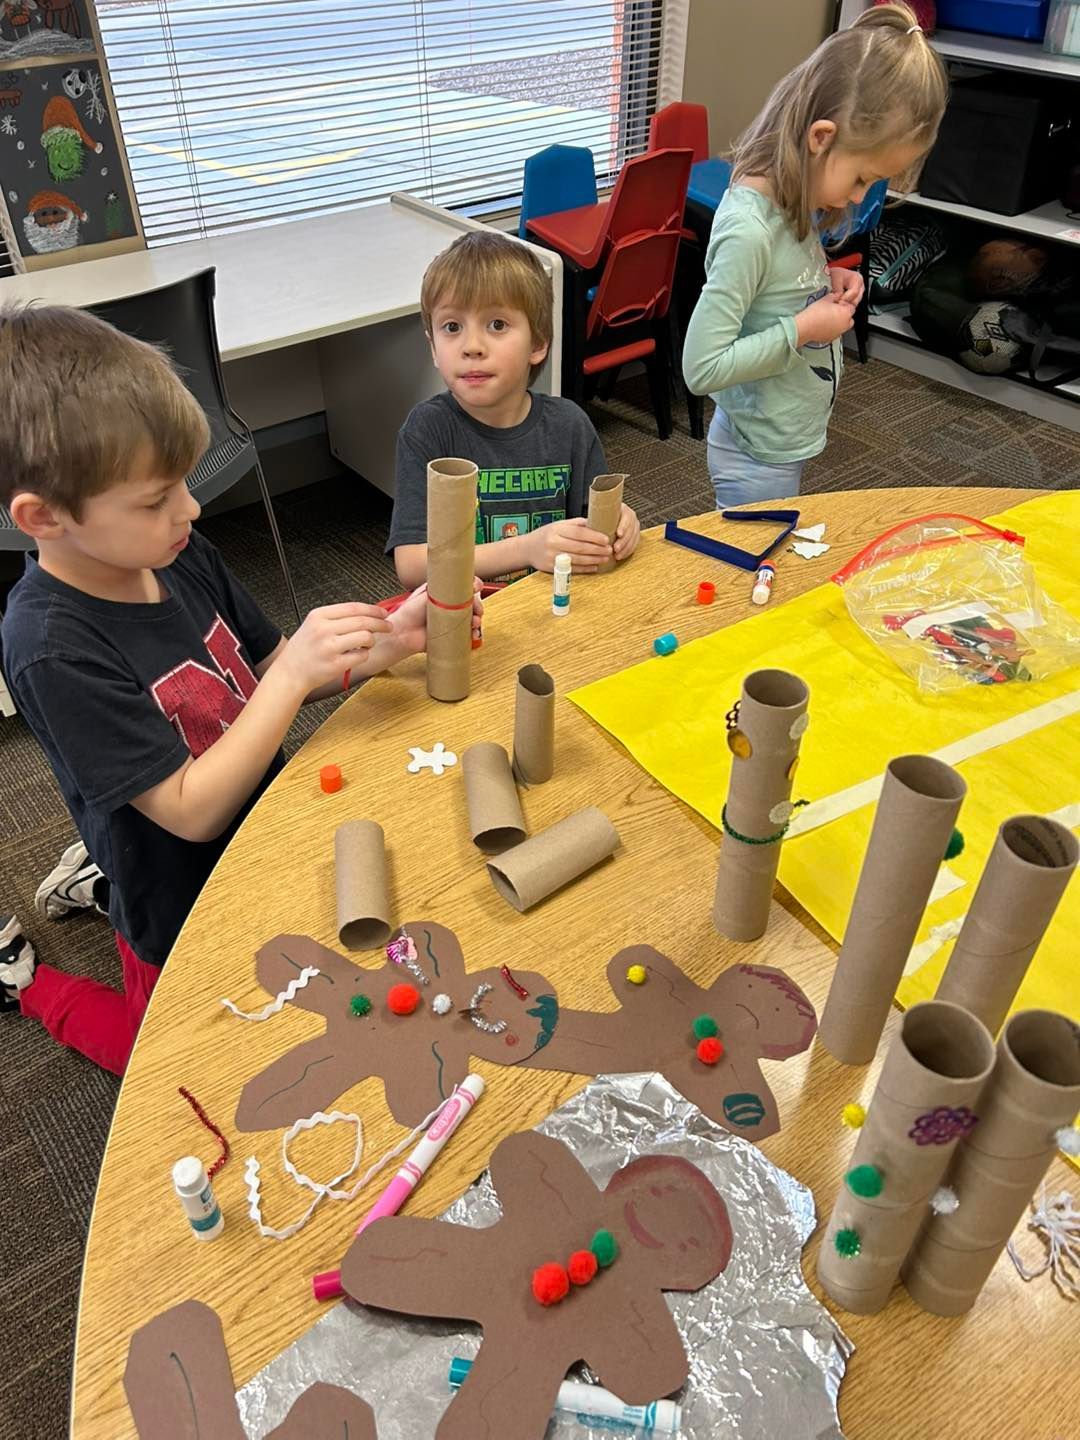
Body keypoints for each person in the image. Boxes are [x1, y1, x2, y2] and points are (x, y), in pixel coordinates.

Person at [0, 304, 479, 1075]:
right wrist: (290, 677)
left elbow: (269, 670)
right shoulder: (50, 647)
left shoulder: (177, 550)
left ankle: (94, 872)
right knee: (175, 1062)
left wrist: (390, 643)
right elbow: (190, 812)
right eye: (155, 499)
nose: (190, 508)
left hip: (261, 836)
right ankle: (30, 986)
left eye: (182, 484)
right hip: (174, 892)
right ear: (43, 518)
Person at [683, 3, 948, 509]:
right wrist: (804, 329)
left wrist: (824, 277)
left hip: (779, 441)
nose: (856, 198)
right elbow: (701, 367)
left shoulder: (792, 202)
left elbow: (774, 285)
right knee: (758, 576)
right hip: (754, 456)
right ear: (821, 138)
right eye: (861, 179)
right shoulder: (749, 229)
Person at [388, 228, 641, 586]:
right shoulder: (427, 430)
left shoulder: (569, 425)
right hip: (468, 620)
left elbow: (594, 529)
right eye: (452, 326)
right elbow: (412, 566)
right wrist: (527, 549)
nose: (471, 346)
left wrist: (622, 524)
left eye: (497, 324)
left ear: (538, 342)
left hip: (554, 609)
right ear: (432, 347)